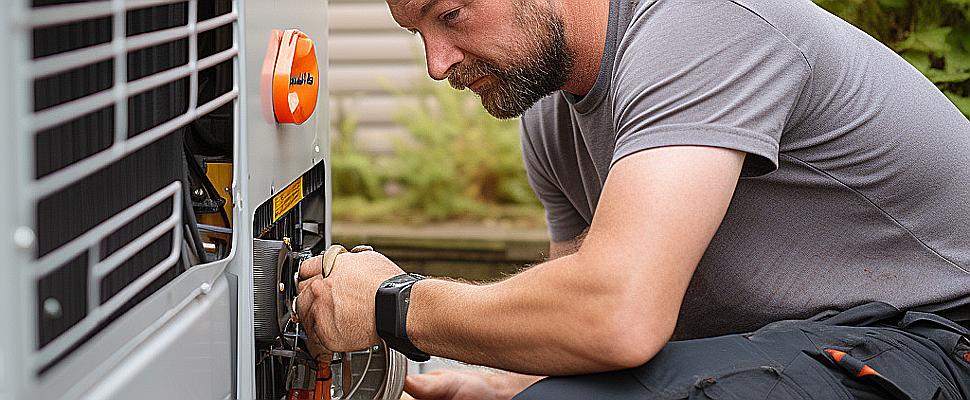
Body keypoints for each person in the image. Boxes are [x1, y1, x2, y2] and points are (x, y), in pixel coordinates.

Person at [296, 0, 970, 397]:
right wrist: (518, 384)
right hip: (830, 339)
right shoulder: (551, 121)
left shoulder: (702, 23)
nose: (437, 64)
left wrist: (393, 302)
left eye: (449, 14)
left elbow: (614, 315)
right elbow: (577, 323)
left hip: (943, 334)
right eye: (418, 34)